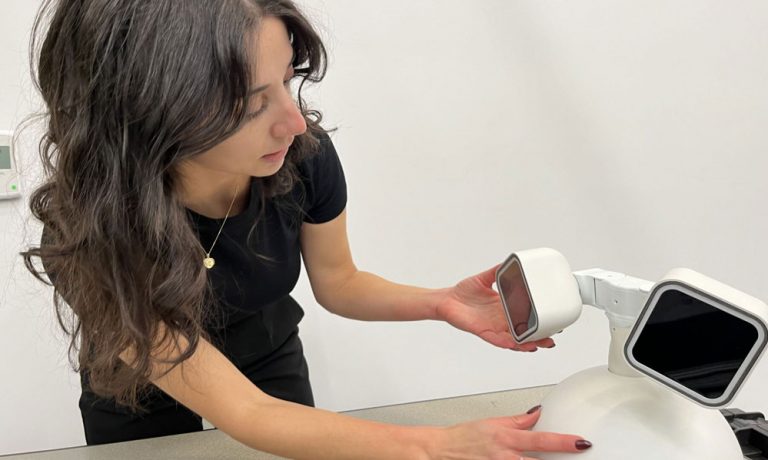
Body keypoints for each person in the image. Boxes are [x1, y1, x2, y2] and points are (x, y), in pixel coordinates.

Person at [22, 0, 592, 458]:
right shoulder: (86, 234)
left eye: (288, 81)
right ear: (148, 113)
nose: (294, 122)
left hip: (267, 352)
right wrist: (434, 445)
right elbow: (244, 413)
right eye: (250, 105)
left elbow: (339, 281)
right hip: (135, 391)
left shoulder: (301, 157)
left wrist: (442, 303)